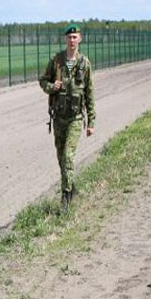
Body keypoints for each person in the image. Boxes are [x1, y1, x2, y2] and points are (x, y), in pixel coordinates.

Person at [39, 23, 96, 210]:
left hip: (75, 118)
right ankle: (72, 186)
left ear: (80, 39)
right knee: (60, 157)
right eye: (69, 37)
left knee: (68, 156)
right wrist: (51, 87)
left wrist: (91, 122)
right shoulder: (56, 61)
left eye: (75, 37)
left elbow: (89, 93)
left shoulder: (84, 64)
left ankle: (66, 196)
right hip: (59, 118)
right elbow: (42, 80)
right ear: (66, 40)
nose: (72, 41)